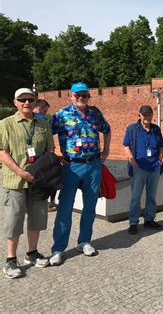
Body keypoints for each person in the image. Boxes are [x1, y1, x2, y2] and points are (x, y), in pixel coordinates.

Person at [49, 82, 111, 266]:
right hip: (72, 166)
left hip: (93, 164)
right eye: (78, 95)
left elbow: (106, 129)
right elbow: (46, 133)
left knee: (90, 205)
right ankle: (58, 248)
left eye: (84, 95)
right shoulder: (62, 115)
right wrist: (52, 154)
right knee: (65, 208)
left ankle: (84, 241)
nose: (81, 98)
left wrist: (106, 149)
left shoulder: (95, 113)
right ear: (71, 96)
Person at [0, 88, 53, 278]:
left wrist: (41, 173)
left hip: (37, 182)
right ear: (15, 102)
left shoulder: (43, 124)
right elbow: (2, 152)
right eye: (22, 100)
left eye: (30, 99)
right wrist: (21, 172)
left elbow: (49, 151)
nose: (27, 103)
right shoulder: (5, 124)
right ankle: (10, 259)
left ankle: (32, 253)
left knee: (37, 218)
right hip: (15, 181)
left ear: (35, 101)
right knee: (14, 220)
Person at [124, 105, 163, 235]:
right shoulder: (132, 129)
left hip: (154, 167)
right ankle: (133, 222)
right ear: (139, 115)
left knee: (151, 195)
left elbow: (161, 146)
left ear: (152, 115)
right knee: (136, 196)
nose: (147, 117)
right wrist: (132, 160)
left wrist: (159, 160)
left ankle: (149, 219)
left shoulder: (156, 129)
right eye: (144, 114)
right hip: (138, 167)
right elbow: (126, 146)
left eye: (149, 114)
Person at [33, 99, 56, 212]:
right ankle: (50, 203)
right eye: (45, 110)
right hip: (43, 156)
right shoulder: (42, 119)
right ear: (39, 108)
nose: (45, 113)